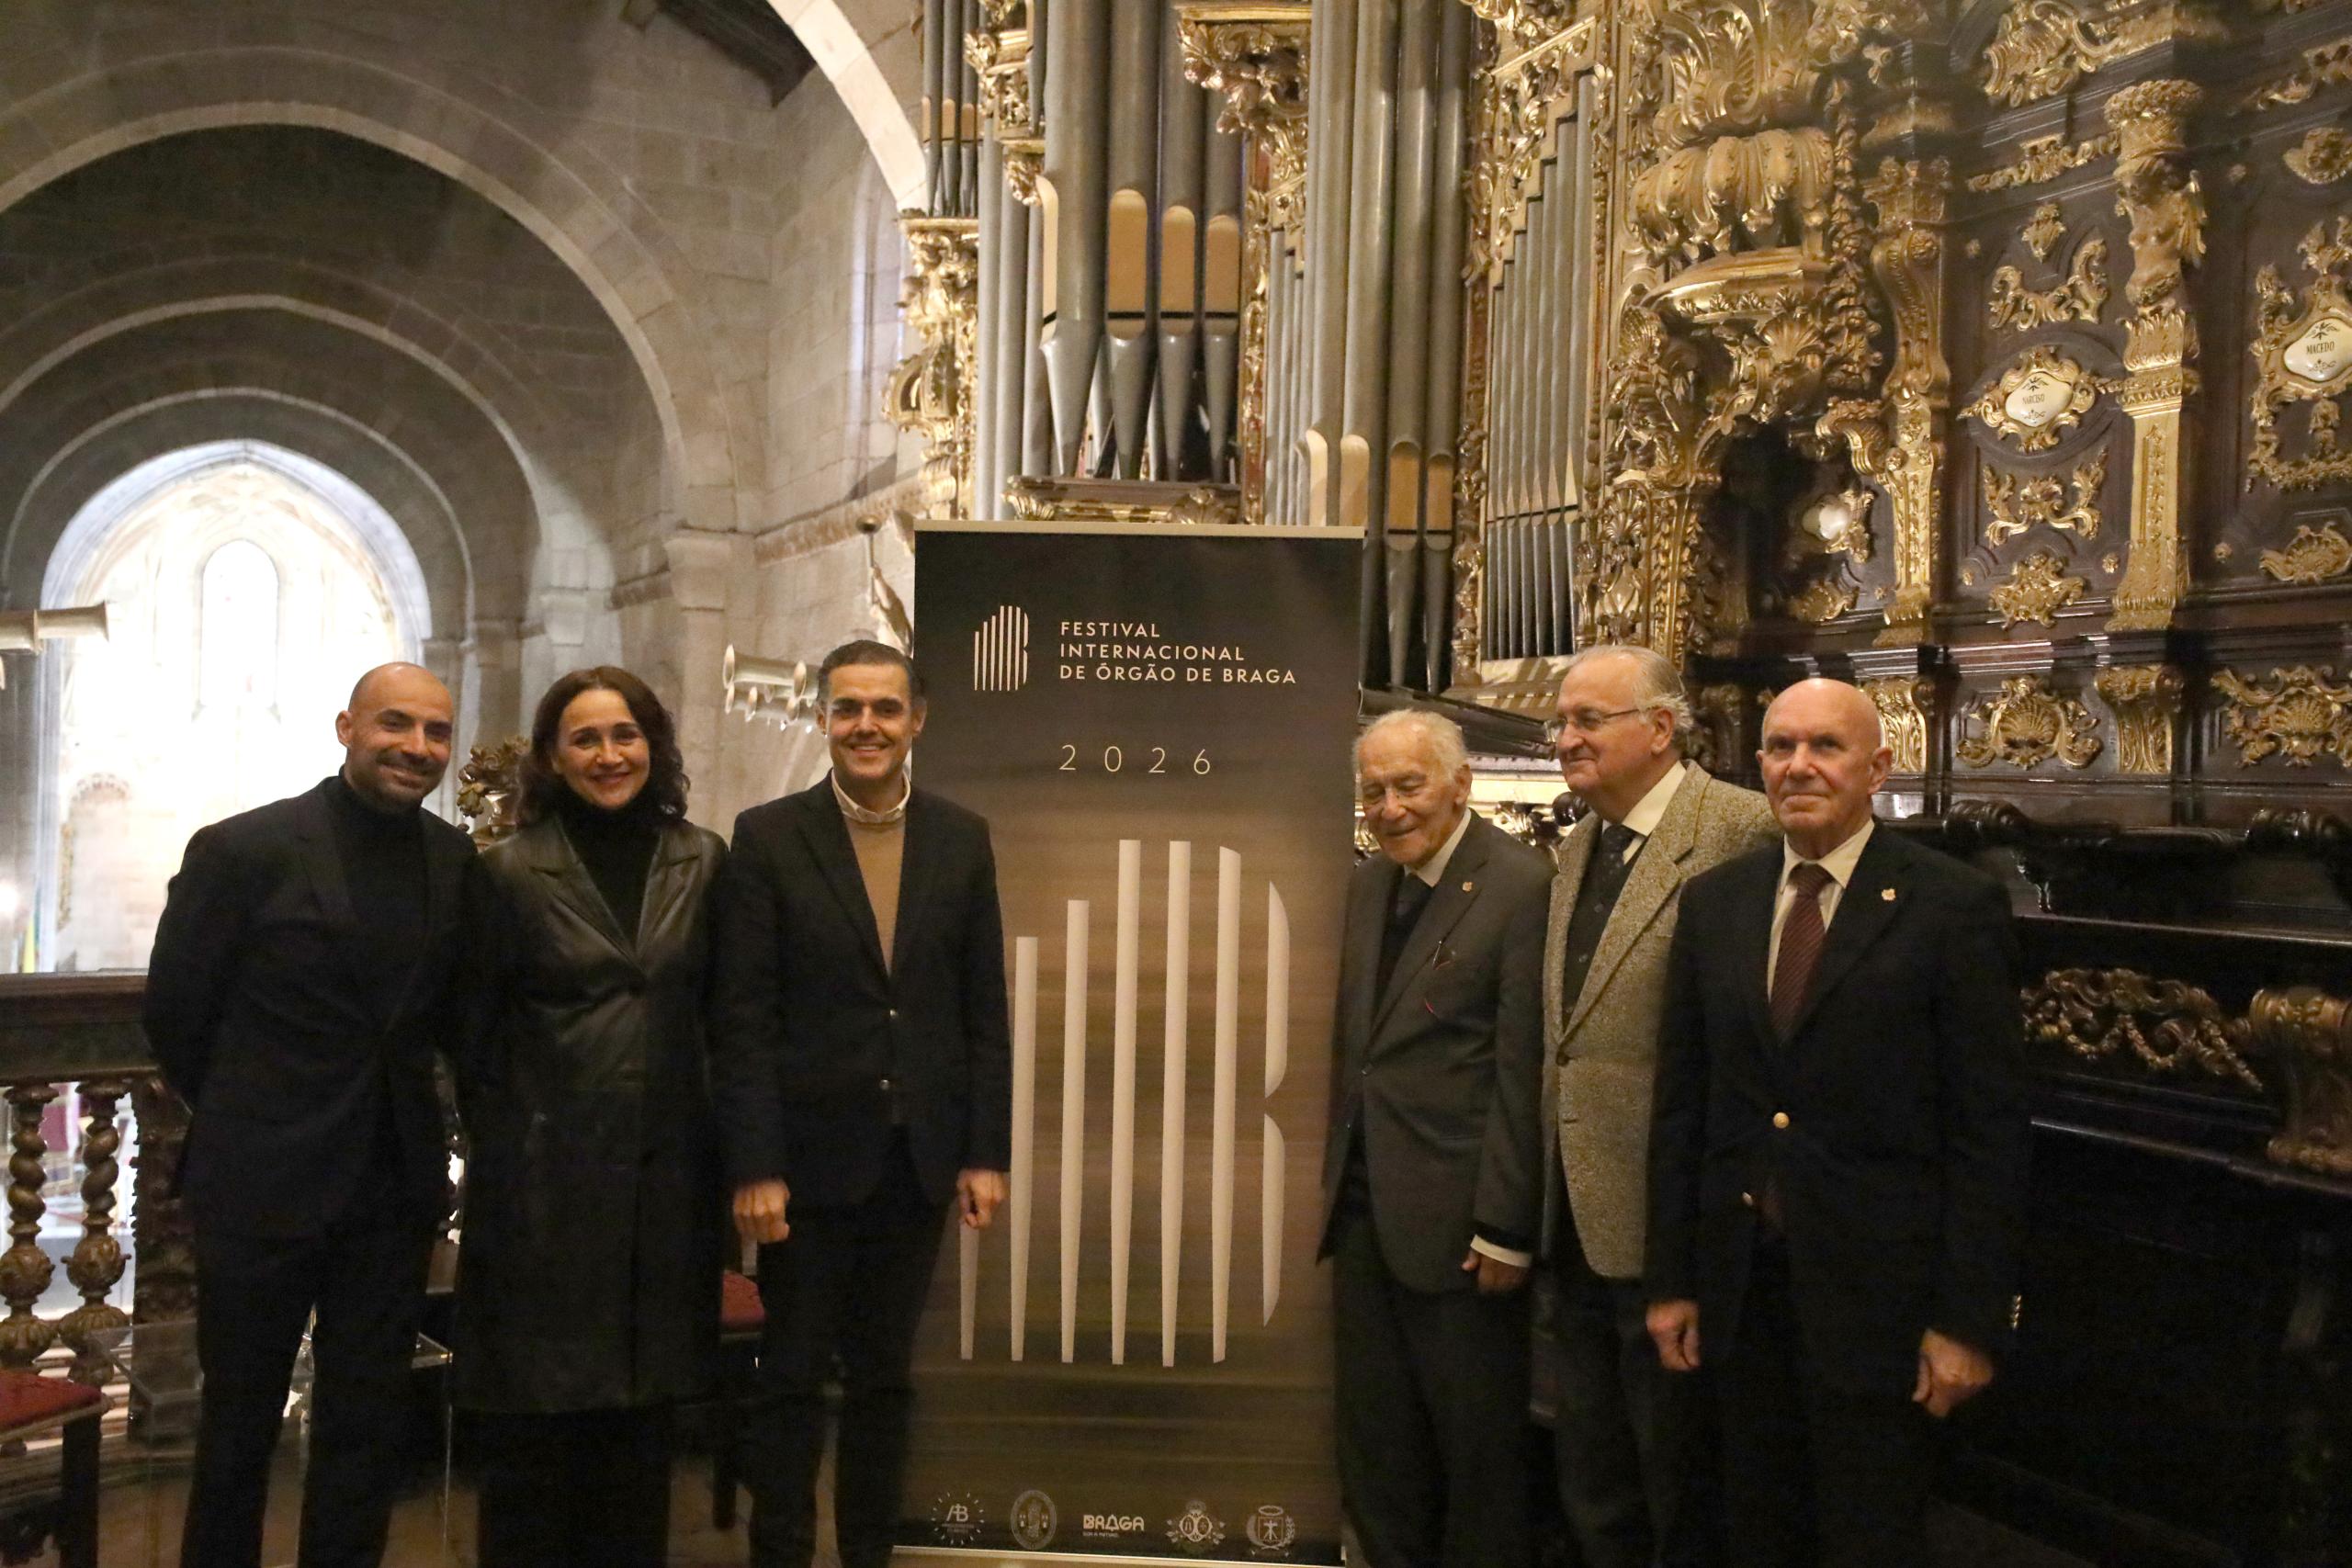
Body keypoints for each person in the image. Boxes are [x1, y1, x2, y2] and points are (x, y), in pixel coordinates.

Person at [1644, 678, 2030, 1568]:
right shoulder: (1717, 903)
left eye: (1825, 747)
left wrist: (1968, 1322)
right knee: (1752, 1532)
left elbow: (1989, 1133)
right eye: (1780, 748)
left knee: (1868, 1537)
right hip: (1741, 1298)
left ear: (1876, 768)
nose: (1798, 767)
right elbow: (1683, 1107)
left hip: (1879, 1308)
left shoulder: (1949, 907)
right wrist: (1672, 1282)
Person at [144, 662, 474, 1568]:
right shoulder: (245, 850)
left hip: (392, 1190)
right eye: (395, 725)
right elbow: (175, 1012)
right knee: (237, 1426)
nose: (416, 748)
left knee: (367, 1427)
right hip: (260, 1184)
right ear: (346, 727)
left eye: (436, 733)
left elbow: (448, 1014)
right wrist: (258, 1113)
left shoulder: (453, 862)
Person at [710, 638, 1012, 1568]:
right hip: (803, 1165)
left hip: (913, 1162)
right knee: (790, 1379)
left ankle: (868, 1555)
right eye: (847, 708)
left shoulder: (962, 837)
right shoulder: (766, 836)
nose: (866, 726)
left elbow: (981, 1012)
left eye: (885, 708)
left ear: (917, 719)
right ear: (822, 717)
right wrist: (754, 1164)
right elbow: (743, 1018)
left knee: (884, 1383)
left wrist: (984, 1152)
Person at [454, 667, 727, 1567]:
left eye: (626, 735)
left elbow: (723, 1016)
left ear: (654, 745)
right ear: (550, 757)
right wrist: (515, 1144)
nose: (610, 755)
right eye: (586, 738)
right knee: (538, 1427)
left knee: (641, 1421)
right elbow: (470, 1036)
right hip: (545, 1185)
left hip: (665, 1177)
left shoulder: (703, 859)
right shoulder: (505, 871)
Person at [1541, 646, 1775, 1568]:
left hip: (1674, 1223)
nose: (1566, 740)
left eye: (1587, 721)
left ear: (1661, 728)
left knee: (1680, 1474)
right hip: (1573, 1214)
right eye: (1560, 722)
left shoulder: (1739, 829)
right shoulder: (1577, 846)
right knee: (1592, 1473)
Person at [1317, 707, 1551, 1568]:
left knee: (1477, 1463)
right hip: (1366, 1213)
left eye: (1408, 785)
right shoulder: (1370, 882)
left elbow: (1523, 1070)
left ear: (1460, 782)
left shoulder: (1522, 885)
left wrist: (1506, 1224)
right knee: (1379, 1454)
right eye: (1373, 790)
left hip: (1464, 1232)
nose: (1388, 807)